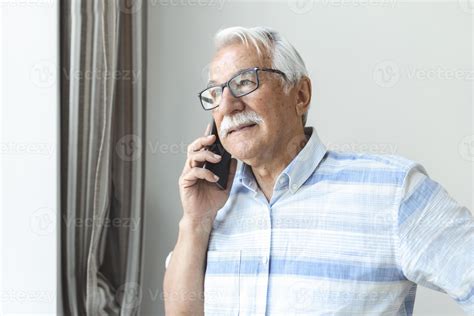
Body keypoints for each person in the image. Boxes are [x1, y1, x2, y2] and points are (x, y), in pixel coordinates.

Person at [163, 26, 474, 315]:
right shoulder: (210, 209)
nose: (228, 105)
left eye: (245, 82)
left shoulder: (391, 191)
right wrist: (195, 221)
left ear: (300, 95)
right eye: (215, 93)